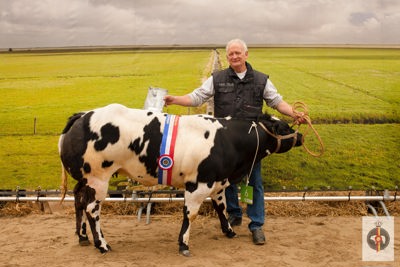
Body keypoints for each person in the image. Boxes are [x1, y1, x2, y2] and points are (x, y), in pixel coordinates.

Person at [164, 38, 304, 245]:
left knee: (254, 182)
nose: (234, 56)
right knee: (225, 183)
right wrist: (175, 99)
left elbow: (276, 102)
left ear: (246, 55)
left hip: (252, 143)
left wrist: (294, 113)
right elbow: (197, 97)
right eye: (231, 54)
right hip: (226, 143)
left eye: (238, 53)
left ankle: (256, 225)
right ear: (227, 56)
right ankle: (234, 215)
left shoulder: (261, 79)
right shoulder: (217, 78)